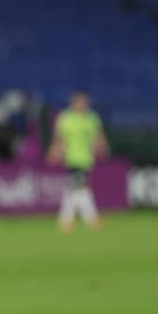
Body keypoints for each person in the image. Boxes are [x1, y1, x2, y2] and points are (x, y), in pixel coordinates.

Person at [46, 89, 109, 233]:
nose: (83, 105)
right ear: (74, 103)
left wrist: (102, 148)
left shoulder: (92, 118)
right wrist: (54, 151)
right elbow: (59, 138)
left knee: (75, 190)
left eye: (85, 102)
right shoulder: (65, 118)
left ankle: (67, 220)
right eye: (80, 102)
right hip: (72, 159)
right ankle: (90, 219)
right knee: (80, 188)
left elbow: (98, 136)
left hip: (87, 159)